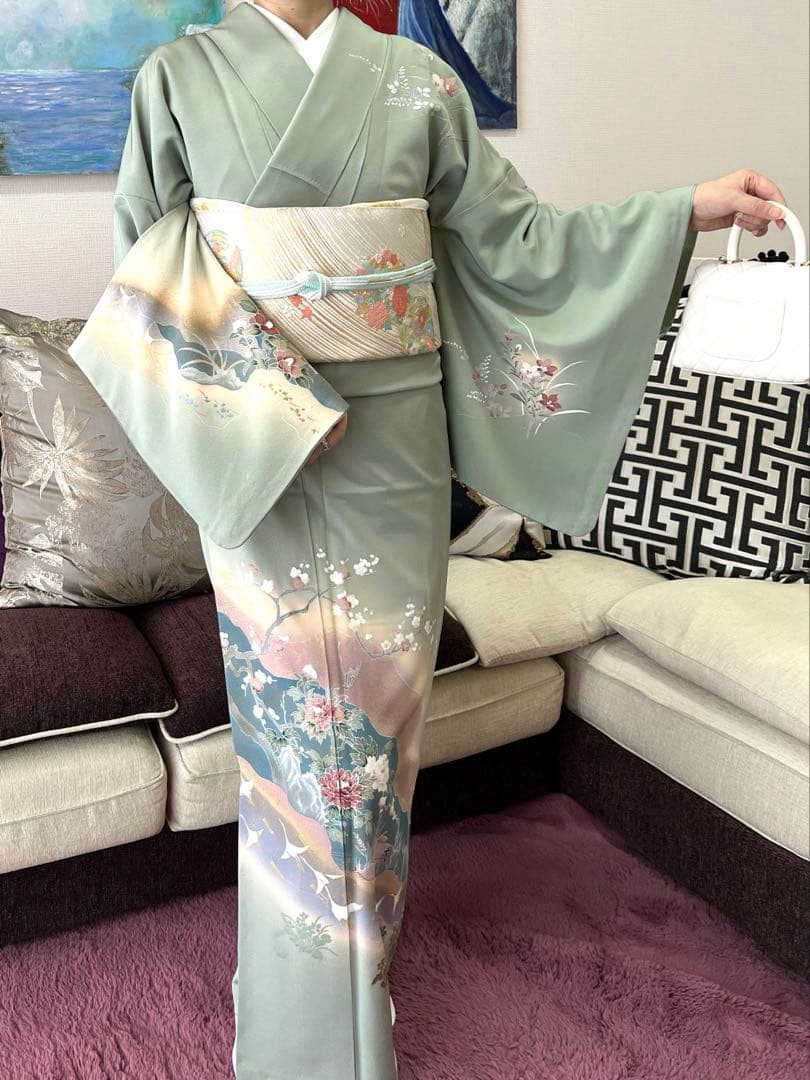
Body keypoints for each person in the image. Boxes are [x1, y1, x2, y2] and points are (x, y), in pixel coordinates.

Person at [70, 2, 789, 1076]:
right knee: (289, 748)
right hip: (263, 442)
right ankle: (298, 1020)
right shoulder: (176, 78)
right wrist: (262, 404)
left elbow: (523, 243)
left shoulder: (419, 81)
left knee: (376, 743)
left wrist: (684, 208)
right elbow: (146, 267)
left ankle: (359, 982)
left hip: (394, 455)